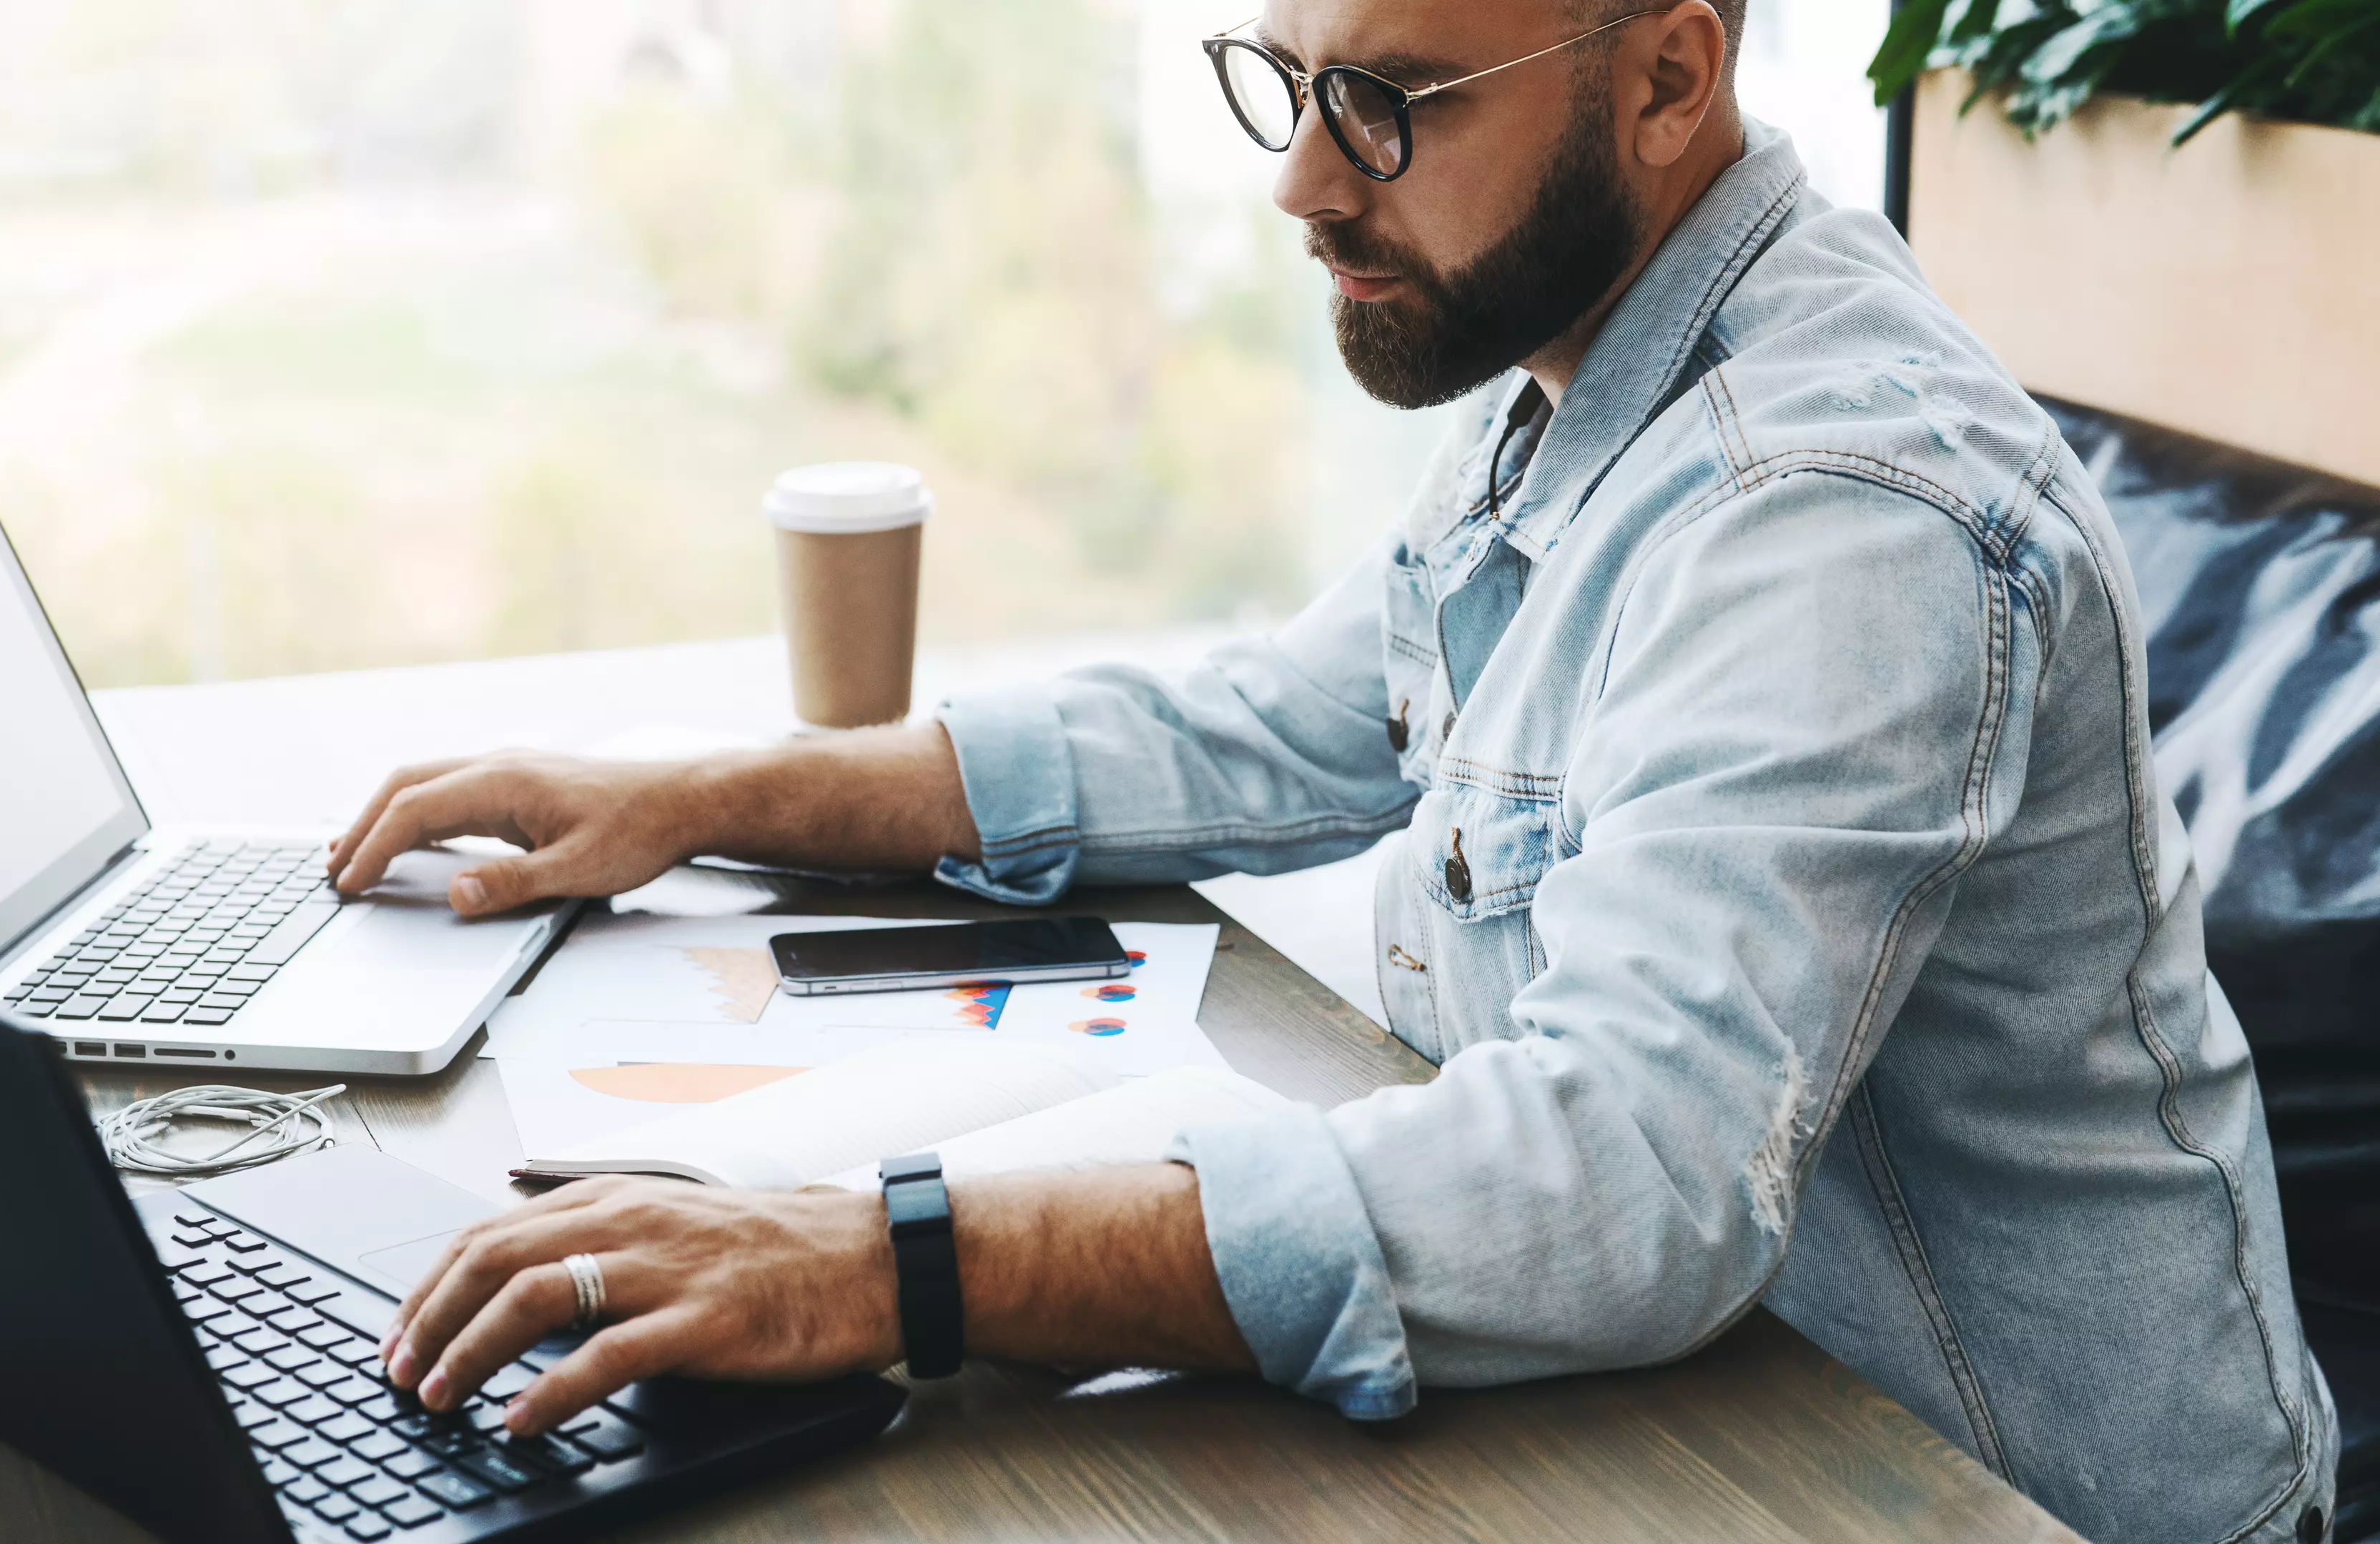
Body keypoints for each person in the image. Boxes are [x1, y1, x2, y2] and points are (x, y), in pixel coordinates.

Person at [324, 3, 2339, 1538]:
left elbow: (1623, 1178)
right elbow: (1272, 723)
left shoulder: (1839, 517)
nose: (1302, 177)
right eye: (1282, 79)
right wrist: (695, 797)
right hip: (1708, 1411)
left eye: (1393, 98)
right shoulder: (1584, 367)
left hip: (1976, 1493)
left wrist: (879, 1262)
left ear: (1666, 78)